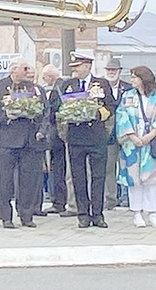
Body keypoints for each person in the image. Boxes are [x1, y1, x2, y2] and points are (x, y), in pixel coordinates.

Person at [58, 52, 115, 228]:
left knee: (98, 176)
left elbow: (111, 105)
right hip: (76, 136)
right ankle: (82, 214)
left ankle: (97, 214)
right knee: (78, 177)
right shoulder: (68, 85)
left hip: (96, 135)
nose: (74, 70)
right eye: (73, 67)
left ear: (87, 66)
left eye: (77, 66)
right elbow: (58, 107)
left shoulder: (101, 84)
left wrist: (97, 114)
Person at [0, 58, 47, 228]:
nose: (29, 72)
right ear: (14, 70)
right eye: (25, 68)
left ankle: (26, 215)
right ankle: (6, 216)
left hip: (31, 141)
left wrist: (41, 131)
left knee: (28, 181)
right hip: (7, 142)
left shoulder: (36, 89)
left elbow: (45, 111)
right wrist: (8, 116)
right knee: (5, 181)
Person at [114, 66, 156, 227]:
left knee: (152, 180)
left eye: (134, 77)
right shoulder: (128, 96)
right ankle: (136, 212)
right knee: (134, 180)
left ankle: (152, 212)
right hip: (132, 144)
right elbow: (121, 117)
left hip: (152, 142)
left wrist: (150, 135)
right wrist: (132, 136)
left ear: (143, 78)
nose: (132, 79)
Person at [40, 63, 75, 217]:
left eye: (44, 77)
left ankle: (58, 202)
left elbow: (52, 111)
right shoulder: (63, 86)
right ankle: (62, 201)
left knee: (57, 168)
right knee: (60, 168)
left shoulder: (58, 88)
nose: (43, 80)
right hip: (62, 134)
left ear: (50, 76)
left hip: (57, 134)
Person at [104, 57, 131, 210]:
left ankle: (128, 198)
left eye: (114, 70)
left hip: (127, 134)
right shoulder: (99, 87)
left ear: (120, 71)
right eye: (109, 70)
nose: (111, 72)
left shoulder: (128, 89)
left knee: (128, 166)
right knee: (109, 168)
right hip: (108, 136)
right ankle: (111, 199)